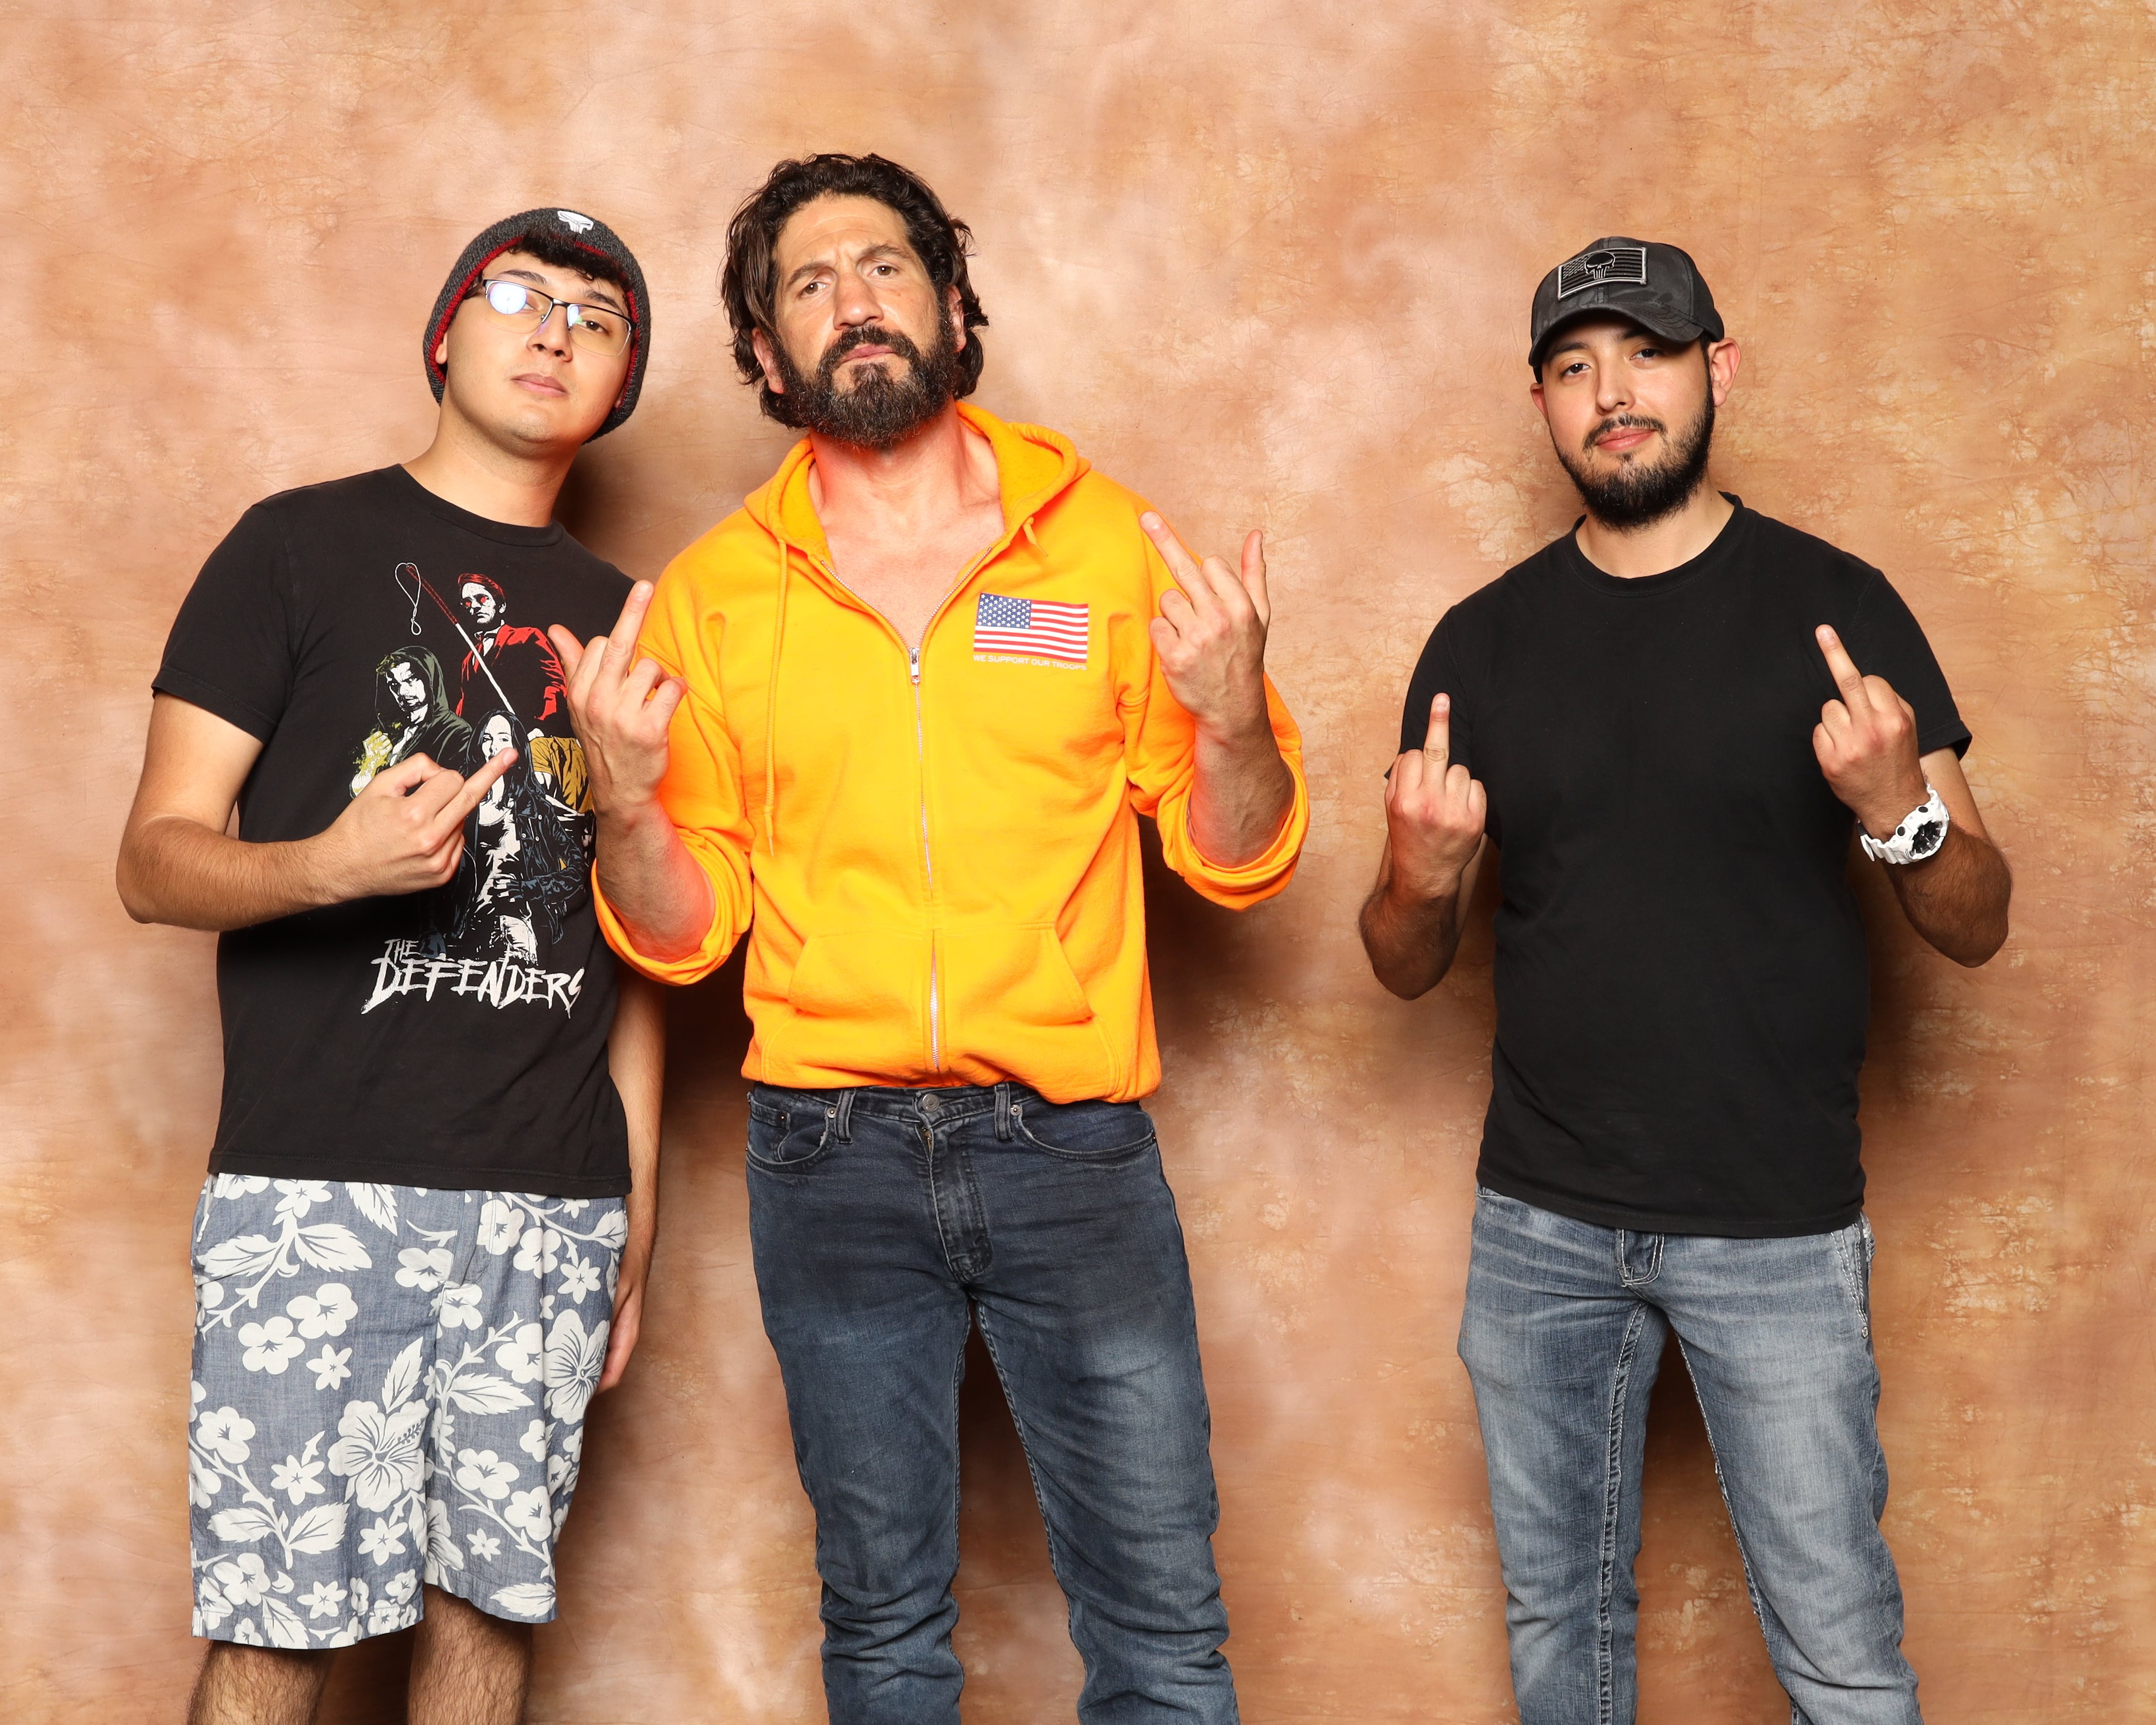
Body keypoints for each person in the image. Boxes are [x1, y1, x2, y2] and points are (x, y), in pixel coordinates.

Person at [555, 153, 1308, 1724]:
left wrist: (1233, 718)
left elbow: (1236, 861)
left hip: (1071, 1149)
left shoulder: (1105, 548)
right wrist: (623, 802)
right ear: (764, 353)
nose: (854, 302)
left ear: (954, 307)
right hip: (825, 1161)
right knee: (885, 1631)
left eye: (885, 266)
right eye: (808, 283)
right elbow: (685, 939)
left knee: (1162, 1632)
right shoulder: (710, 598)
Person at [1359, 237, 2012, 1725]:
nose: (1612, 395)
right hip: (1538, 1226)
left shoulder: (1837, 612)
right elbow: (1399, 967)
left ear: (1717, 368)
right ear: (1539, 401)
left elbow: (1973, 922)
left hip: (1772, 1226)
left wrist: (1895, 809)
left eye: (1646, 355)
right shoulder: (1477, 644)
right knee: (1558, 1633)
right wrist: (1416, 877)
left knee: (1838, 1650)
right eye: (1574, 367)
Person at [117, 207, 666, 1725]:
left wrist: (636, 1222)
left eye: (597, 317)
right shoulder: (292, 546)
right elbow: (152, 860)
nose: (554, 327)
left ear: (619, 385)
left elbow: (641, 960)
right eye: (518, 292)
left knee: (489, 1621)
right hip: (314, 1190)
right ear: (444, 334)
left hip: (550, 1204)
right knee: (276, 1628)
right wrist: (328, 866)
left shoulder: (633, 622)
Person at [455, 572, 571, 728]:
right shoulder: (469, 659)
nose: (474, 607)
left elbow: (556, 682)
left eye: (482, 599)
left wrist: (542, 725)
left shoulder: (528, 636)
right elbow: (465, 704)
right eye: (468, 603)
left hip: (534, 733)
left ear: (501, 606)